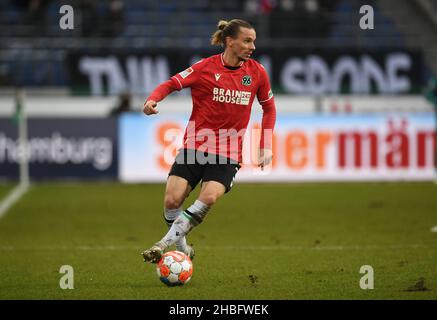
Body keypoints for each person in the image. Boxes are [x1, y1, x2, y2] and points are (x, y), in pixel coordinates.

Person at [141, 19, 277, 263]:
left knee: (209, 197)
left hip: (228, 151)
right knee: (172, 200)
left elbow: (269, 108)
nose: (253, 46)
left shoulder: (257, 72)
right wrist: (152, 100)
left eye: (254, 41)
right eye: (247, 41)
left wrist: (265, 144)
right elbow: (172, 83)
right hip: (196, 145)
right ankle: (182, 247)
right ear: (229, 42)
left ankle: (162, 245)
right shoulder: (205, 68)